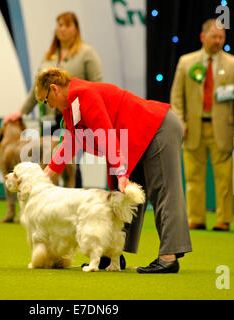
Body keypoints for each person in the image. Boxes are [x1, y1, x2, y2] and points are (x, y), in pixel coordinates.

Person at [35, 68, 192, 274]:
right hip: (132, 140)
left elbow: (106, 135)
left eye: (46, 101)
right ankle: (113, 254)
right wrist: (44, 178)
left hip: (157, 127)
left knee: (164, 190)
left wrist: (121, 173)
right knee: (119, 196)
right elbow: (69, 144)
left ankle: (169, 257)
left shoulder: (84, 95)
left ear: (54, 89)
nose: (50, 107)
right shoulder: (70, 107)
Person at [2, 12, 103, 188]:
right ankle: (49, 204)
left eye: (67, 25)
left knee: (71, 163)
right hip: (48, 118)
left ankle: (74, 199)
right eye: (59, 25)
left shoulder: (86, 53)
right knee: (48, 162)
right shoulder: (49, 56)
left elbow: (97, 85)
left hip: (75, 117)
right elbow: (38, 86)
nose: (62, 29)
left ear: (75, 29)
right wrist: (21, 111)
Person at [170, 19, 234, 231]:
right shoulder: (186, 62)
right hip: (192, 128)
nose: (218, 41)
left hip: (222, 129)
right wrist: (180, 123)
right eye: (214, 37)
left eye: (221, 37)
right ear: (203, 37)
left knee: (224, 178)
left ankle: (223, 219)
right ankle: (196, 218)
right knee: (193, 177)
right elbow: (176, 98)